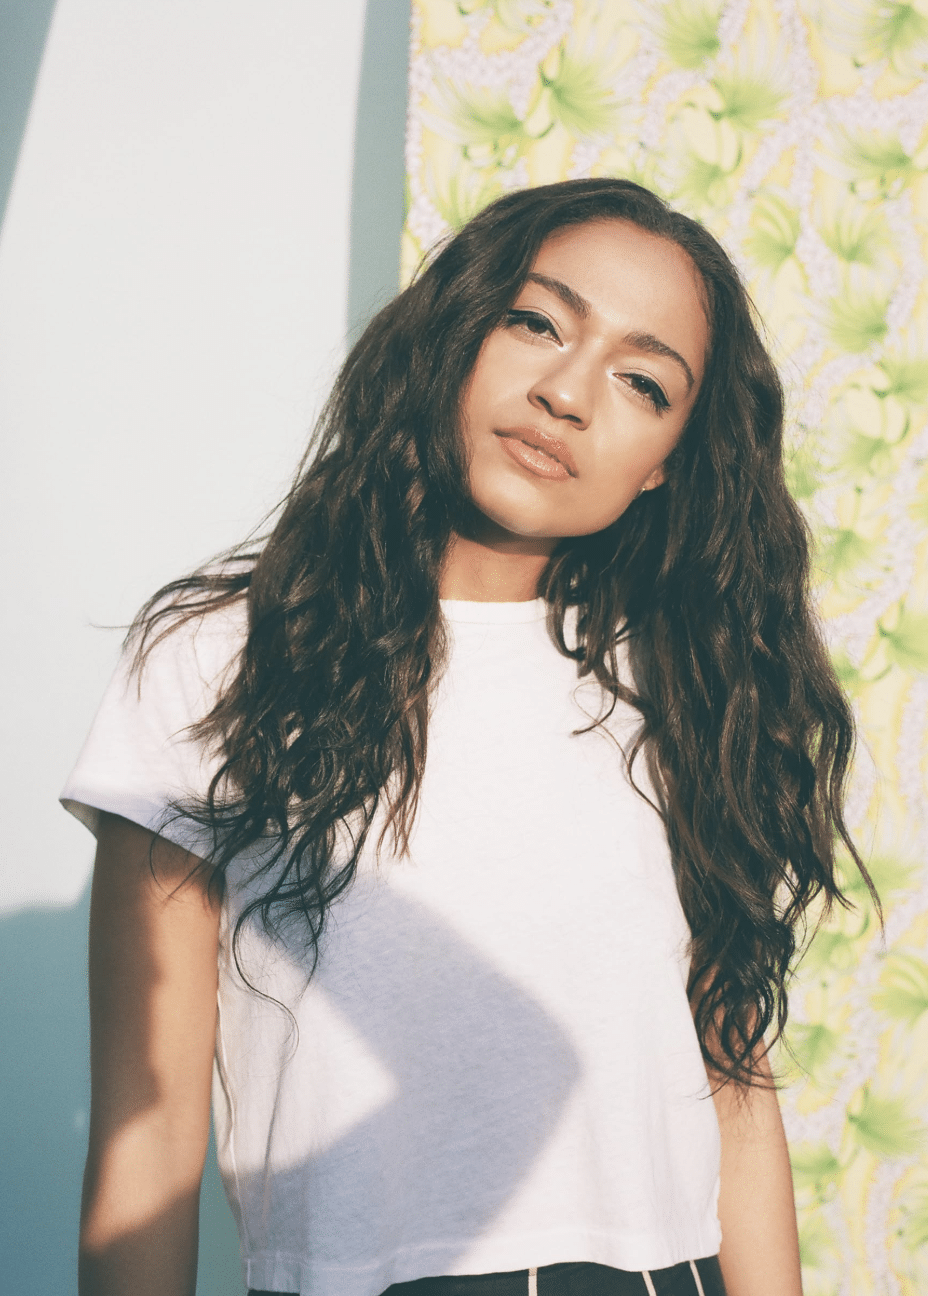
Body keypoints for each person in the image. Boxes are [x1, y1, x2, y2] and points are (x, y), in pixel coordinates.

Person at [62, 178, 873, 1296]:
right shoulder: (216, 659)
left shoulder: (683, 680)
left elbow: (732, 1090)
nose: (567, 394)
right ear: (455, 331)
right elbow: (146, 1137)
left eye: (641, 381)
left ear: (667, 462)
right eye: (536, 321)